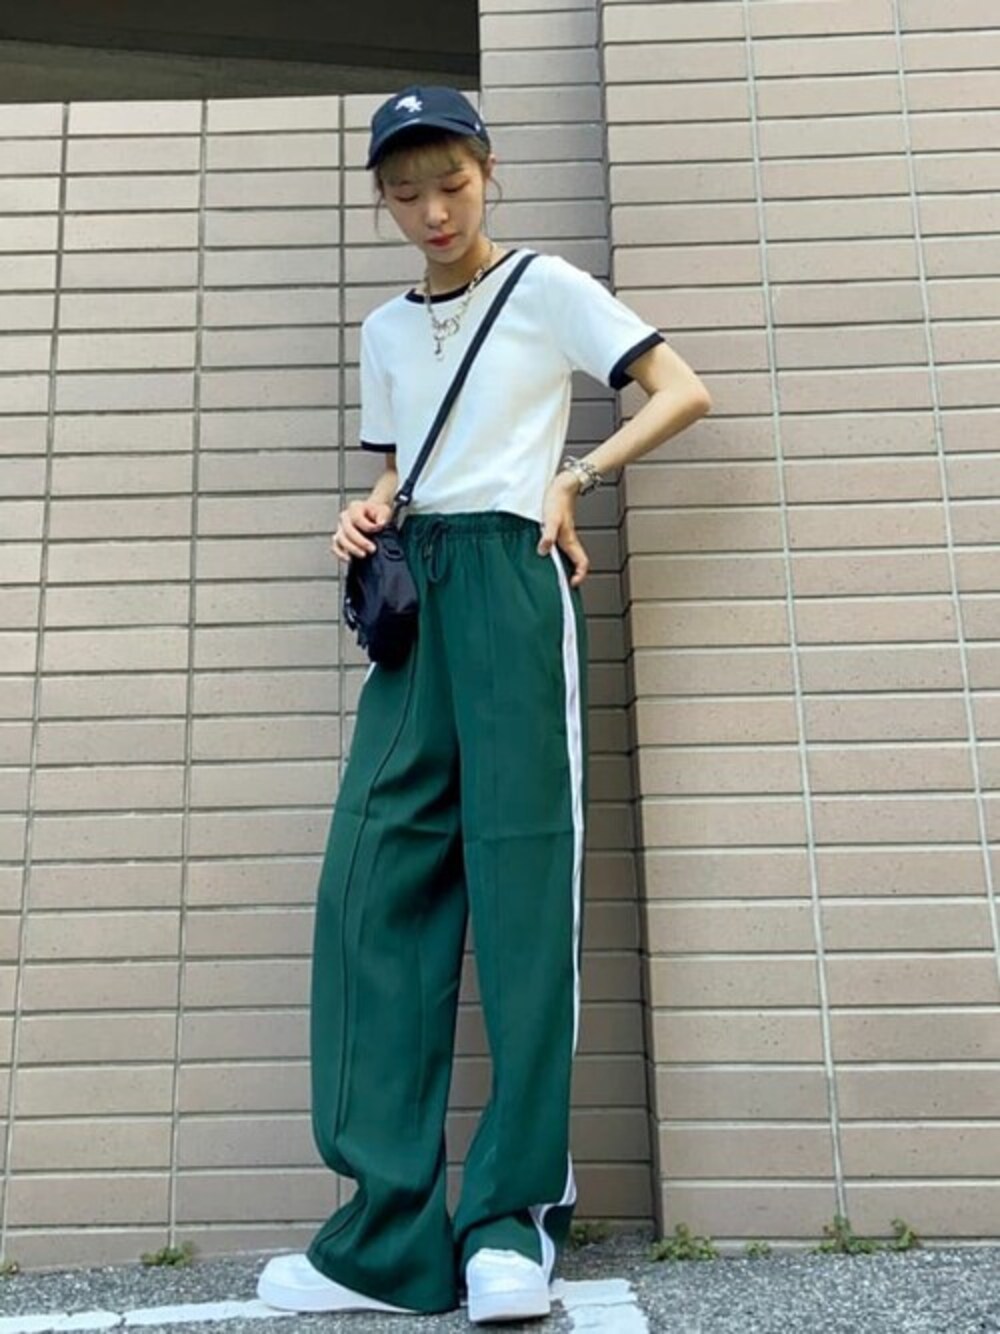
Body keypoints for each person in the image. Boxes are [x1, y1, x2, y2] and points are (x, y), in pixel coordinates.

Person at [256, 85, 711, 1324]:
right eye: (405, 192)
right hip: (420, 597)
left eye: (450, 183)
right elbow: (399, 470)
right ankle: (383, 1239)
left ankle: (510, 1225)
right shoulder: (384, 330)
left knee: (521, 892)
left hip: (512, 579)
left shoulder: (547, 286)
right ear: (382, 199)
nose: (432, 211)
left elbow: (680, 388)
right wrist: (366, 512)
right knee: (370, 889)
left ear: (487, 171)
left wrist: (576, 477)